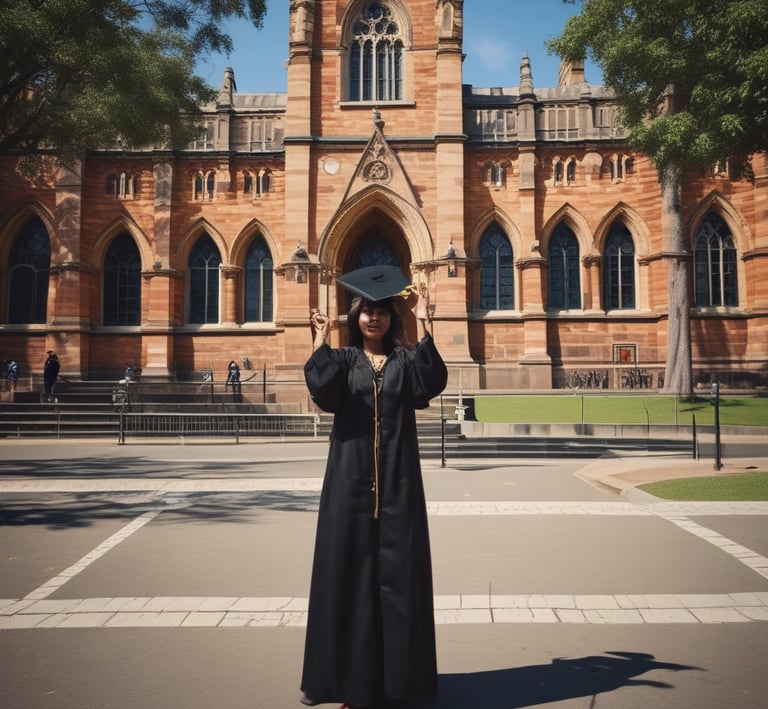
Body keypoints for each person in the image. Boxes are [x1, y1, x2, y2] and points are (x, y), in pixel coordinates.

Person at [300, 265, 448, 709]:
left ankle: (400, 683)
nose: (373, 318)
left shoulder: (404, 361)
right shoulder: (345, 362)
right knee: (349, 582)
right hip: (349, 488)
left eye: (381, 311)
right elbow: (321, 390)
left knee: (400, 584)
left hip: (399, 489)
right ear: (355, 317)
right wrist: (319, 338)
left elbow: (431, 380)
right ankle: (347, 685)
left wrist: (425, 321)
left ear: (390, 318)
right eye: (366, 311)